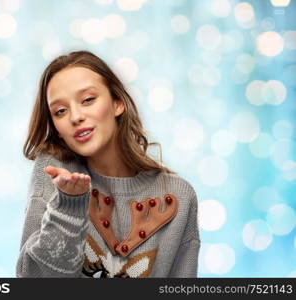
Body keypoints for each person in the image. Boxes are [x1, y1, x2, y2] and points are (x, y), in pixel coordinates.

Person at [16, 50, 200, 278]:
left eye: (88, 100)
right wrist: (69, 206)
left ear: (118, 103)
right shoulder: (54, 173)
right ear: (56, 129)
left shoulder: (179, 195)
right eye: (60, 111)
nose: (75, 117)